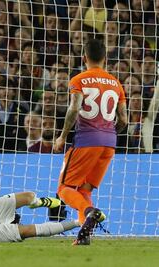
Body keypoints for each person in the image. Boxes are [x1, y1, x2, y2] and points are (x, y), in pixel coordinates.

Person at [53, 39, 127, 245]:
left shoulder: (79, 80)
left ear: (83, 57)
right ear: (106, 58)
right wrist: (109, 133)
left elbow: (74, 108)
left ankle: (88, 211)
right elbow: (124, 120)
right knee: (84, 189)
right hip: (109, 143)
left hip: (86, 141)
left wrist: (62, 136)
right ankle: (84, 235)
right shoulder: (116, 83)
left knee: (64, 188)